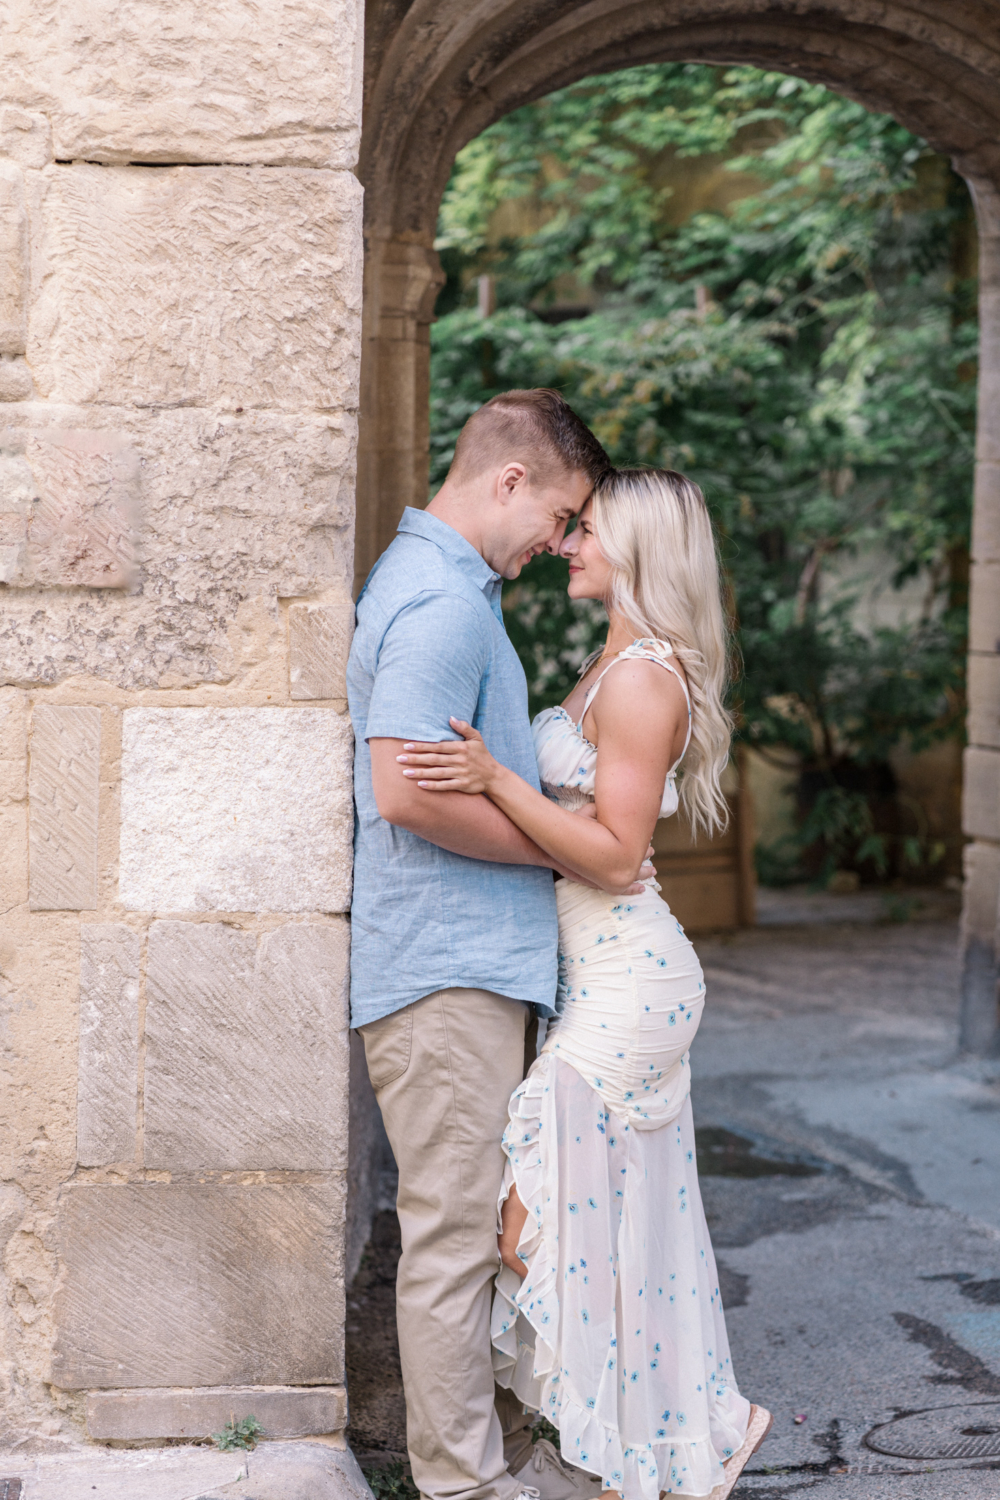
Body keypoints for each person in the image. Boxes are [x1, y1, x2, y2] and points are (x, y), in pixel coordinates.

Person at [394, 467, 773, 1500]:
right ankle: (650, 1452)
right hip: (598, 974)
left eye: (588, 530)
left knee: (532, 1227)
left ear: (640, 549)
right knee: (607, 1231)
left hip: (626, 980)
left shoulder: (644, 676)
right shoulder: (612, 664)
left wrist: (498, 779)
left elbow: (613, 856)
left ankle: (652, 1443)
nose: (567, 545)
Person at [348, 390, 640, 1500]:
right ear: (510, 481)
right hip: (444, 972)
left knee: (487, 1236)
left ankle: (501, 1461)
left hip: (467, 967)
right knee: (456, 1241)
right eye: (560, 516)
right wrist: (558, 855)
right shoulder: (439, 604)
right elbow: (403, 794)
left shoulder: (444, 590)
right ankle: (464, 1486)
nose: (558, 543)